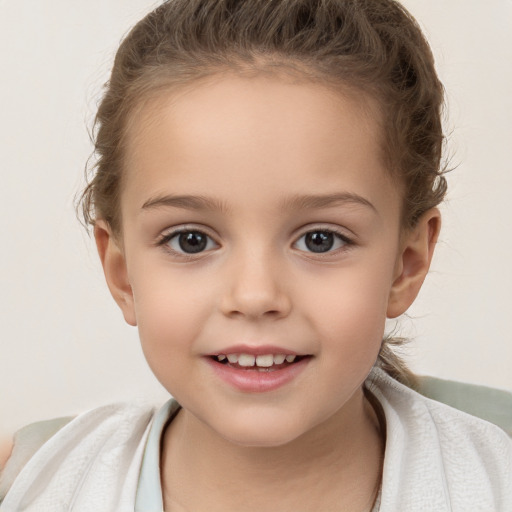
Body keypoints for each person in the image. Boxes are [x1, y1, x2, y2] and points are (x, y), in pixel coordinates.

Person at [1, 0, 511, 510]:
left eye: (320, 239)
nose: (255, 295)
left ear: (407, 263)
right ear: (123, 273)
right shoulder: (30, 483)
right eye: (191, 240)